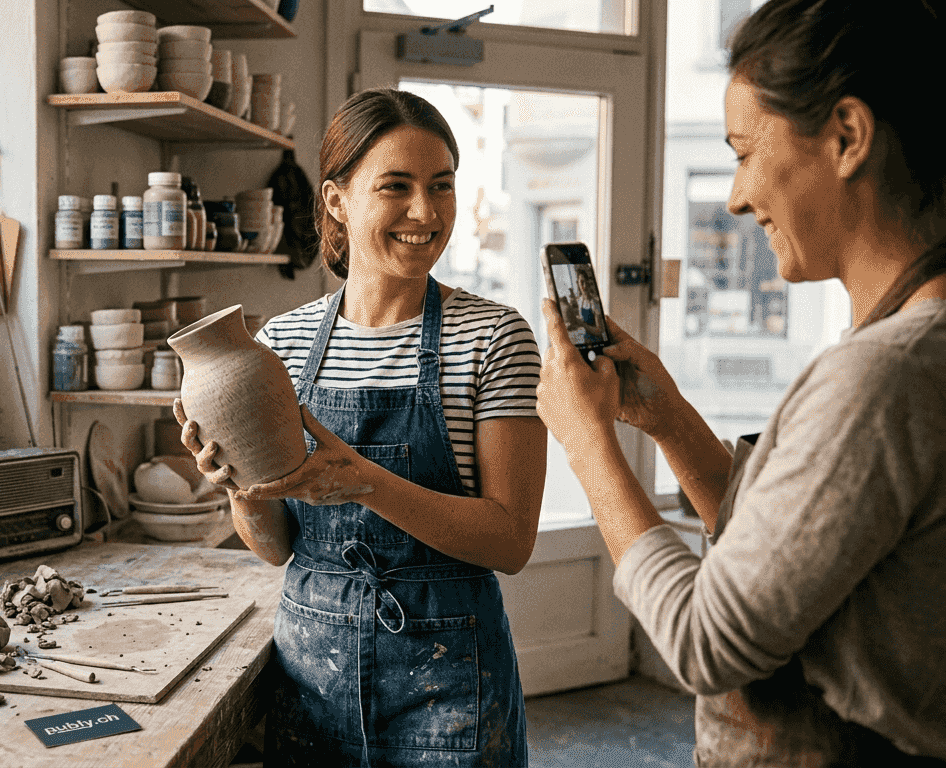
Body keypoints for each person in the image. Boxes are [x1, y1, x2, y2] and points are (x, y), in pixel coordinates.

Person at [535, 1, 946, 765]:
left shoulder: (884, 374)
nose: (734, 196)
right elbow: (792, 553)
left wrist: (586, 442)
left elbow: (707, 641)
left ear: (847, 137)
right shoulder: (913, 347)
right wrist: (670, 424)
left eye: (744, 152)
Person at [174, 88, 547, 766]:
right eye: (396, 187)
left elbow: (510, 540)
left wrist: (365, 483)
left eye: (442, 187)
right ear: (337, 200)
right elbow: (277, 547)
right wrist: (237, 485)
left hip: (450, 687)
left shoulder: (494, 339)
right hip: (313, 680)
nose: (425, 213)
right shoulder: (279, 347)